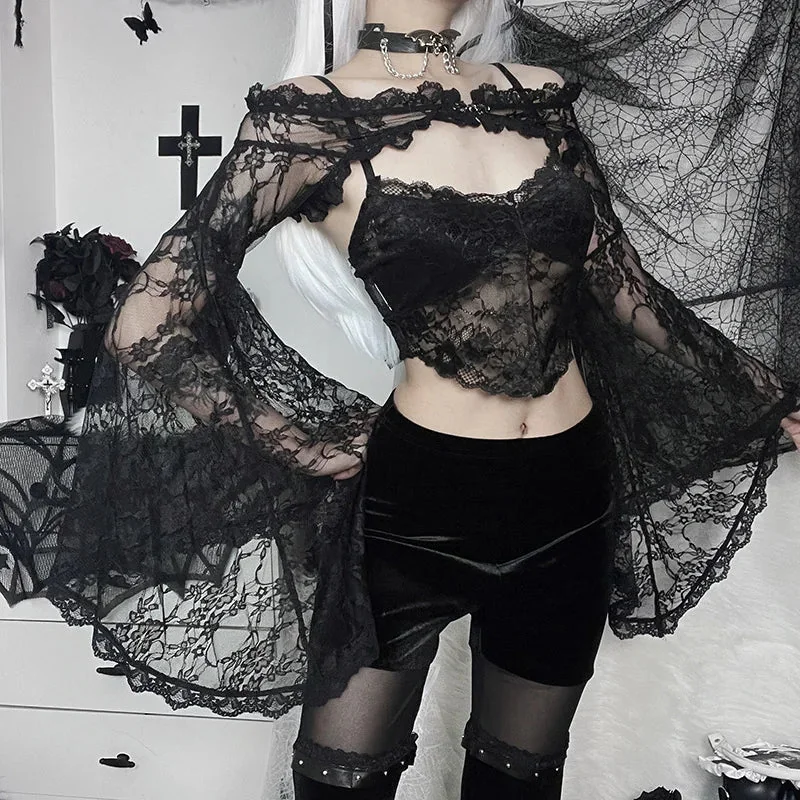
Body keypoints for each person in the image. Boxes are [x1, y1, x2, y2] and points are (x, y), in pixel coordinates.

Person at [0, 0, 798, 798]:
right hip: (418, 502)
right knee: (342, 781)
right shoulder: (311, 122)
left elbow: (623, 286)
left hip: (569, 495)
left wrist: (761, 395)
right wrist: (298, 443)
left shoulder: (536, 96)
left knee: (519, 783)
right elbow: (145, 322)